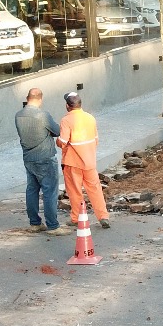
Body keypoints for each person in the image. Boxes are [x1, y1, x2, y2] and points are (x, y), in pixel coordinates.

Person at [15, 88, 70, 236]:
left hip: (28, 158)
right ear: (40, 99)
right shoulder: (42, 115)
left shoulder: (18, 115)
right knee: (49, 192)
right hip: (45, 157)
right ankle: (53, 226)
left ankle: (35, 223)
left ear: (27, 98)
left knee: (32, 190)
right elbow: (57, 131)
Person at [57, 92, 111, 229]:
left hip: (72, 163)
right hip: (90, 162)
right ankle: (103, 216)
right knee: (95, 190)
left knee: (75, 191)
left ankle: (77, 218)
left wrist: (57, 140)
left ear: (67, 106)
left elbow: (62, 142)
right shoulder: (90, 118)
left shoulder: (66, 120)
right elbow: (96, 140)